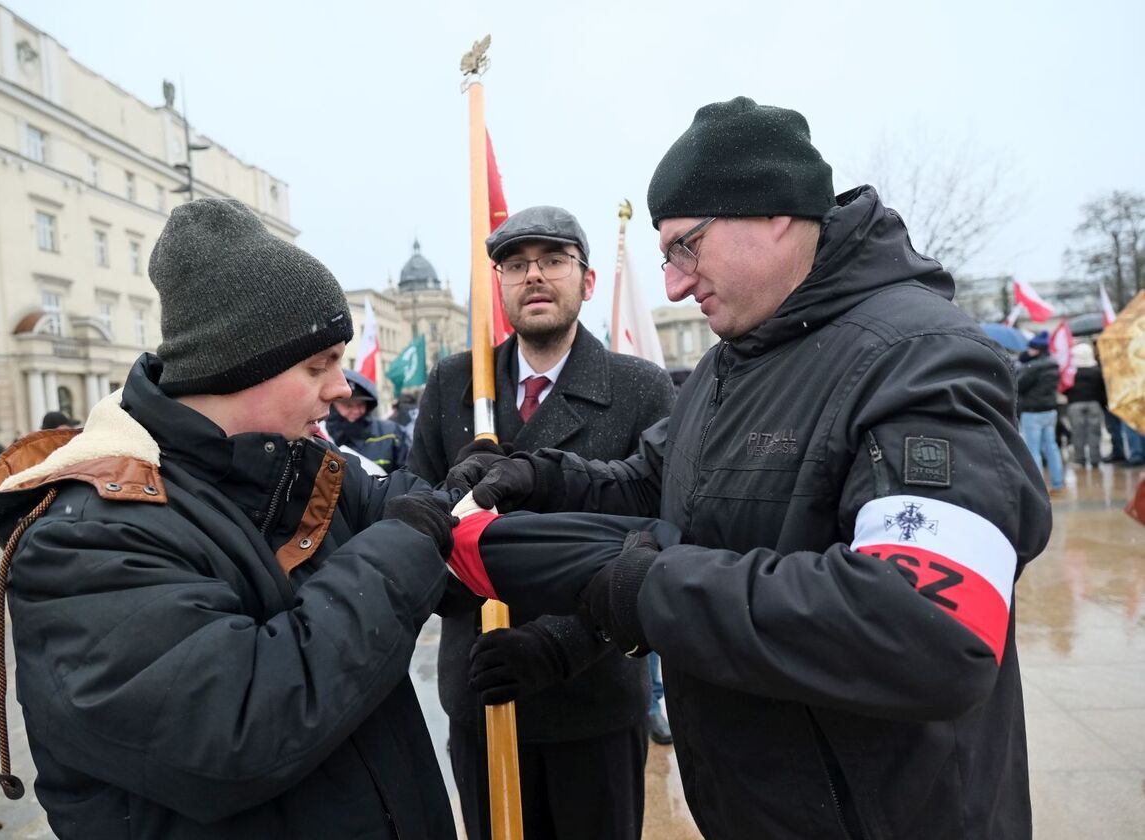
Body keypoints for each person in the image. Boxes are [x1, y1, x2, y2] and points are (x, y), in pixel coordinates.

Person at [448, 98, 1051, 839]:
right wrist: (537, 477)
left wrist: (645, 587)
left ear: (773, 214)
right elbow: (655, 478)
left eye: (684, 248)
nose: (672, 283)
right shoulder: (728, 364)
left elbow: (927, 627)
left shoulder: (919, 356)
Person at [0, 198, 460, 839]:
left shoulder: (297, 468)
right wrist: (409, 541)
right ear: (238, 368)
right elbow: (242, 727)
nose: (342, 388)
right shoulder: (83, 540)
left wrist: (620, 575)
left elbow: (439, 518)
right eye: (318, 366)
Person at [410, 205, 674, 840]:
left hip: (593, 701)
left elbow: (654, 539)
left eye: (554, 260)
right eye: (515, 264)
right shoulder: (453, 386)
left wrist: (562, 644)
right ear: (497, 286)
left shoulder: (642, 388)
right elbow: (414, 522)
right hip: (482, 687)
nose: (534, 276)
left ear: (585, 281)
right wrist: (452, 507)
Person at [325, 369, 409, 472]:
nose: (356, 411)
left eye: (361, 404)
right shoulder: (319, 435)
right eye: (348, 405)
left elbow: (410, 475)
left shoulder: (392, 433)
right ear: (332, 405)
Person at [1018, 331, 1066, 492]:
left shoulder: (1032, 366)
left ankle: (1038, 488)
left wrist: (1023, 363)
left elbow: (1018, 385)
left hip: (1033, 412)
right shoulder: (1053, 363)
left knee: (1033, 450)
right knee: (1051, 447)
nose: (1028, 351)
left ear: (1037, 349)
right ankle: (1057, 483)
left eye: (1031, 348)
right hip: (1050, 410)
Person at [1066, 342, 1105, 467]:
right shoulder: (1096, 371)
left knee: (1078, 433)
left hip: (1075, 404)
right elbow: (1102, 388)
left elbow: (1065, 388)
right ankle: (1095, 459)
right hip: (1094, 404)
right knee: (1094, 433)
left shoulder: (1071, 372)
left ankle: (1080, 459)